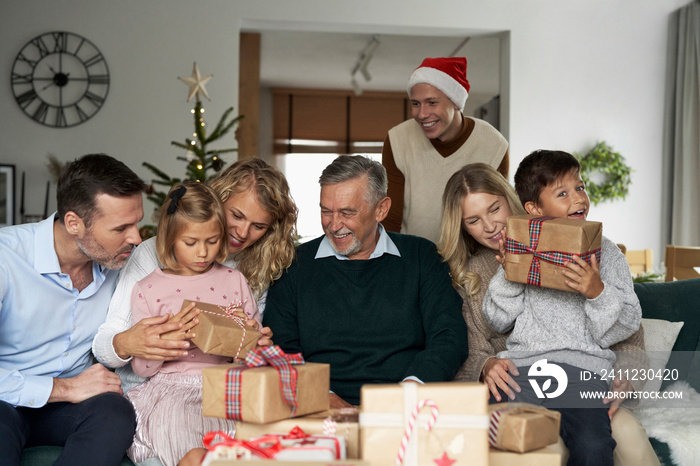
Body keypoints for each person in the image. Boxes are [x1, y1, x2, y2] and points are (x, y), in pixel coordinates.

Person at [438, 162, 659, 466]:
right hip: (521, 379)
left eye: (494, 209)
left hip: (585, 379)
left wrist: (627, 377)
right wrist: (485, 366)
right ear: (461, 227)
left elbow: (629, 335)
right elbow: (466, 351)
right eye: (473, 220)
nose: (490, 226)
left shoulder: (595, 252)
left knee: (606, 438)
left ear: (515, 203)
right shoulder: (474, 274)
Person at [263, 155, 468, 407]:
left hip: (407, 403)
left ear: (381, 209)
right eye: (326, 211)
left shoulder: (421, 256)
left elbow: (449, 336)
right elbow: (280, 346)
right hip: (316, 404)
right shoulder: (294, 263)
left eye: (347, 212)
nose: (333, 224)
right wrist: (323, 397)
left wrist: (406, 394)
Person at [93, 158, 297, 394]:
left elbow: (243, 355)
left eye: (258, 226)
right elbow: (104, 345)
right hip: (148, 389)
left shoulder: (252, 268)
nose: (242, 233)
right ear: (217, 202)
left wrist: (254, 343)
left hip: (219, 391)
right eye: (237, 216)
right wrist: (130, 343)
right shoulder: (151, 255)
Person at [0, 153, 144, 465]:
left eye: (137, 223)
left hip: (72, 408)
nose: (136, 238)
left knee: (114, 412)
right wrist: (65, 388)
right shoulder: (5, 258)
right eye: (121, 228)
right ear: (73, 223)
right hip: (5, 400)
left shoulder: (122, 263)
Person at [125, 182, 259, 466]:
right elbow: (141, 368)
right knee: (186, 442)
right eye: (191, 243)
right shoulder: (148, 288)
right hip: (174, 391)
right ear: (170, 238)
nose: (203, 253)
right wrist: (168, 341)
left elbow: (253, 354)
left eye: (212, 241)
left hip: (226, 387)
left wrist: (246, 337)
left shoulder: (234, 280)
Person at [382, 56, 509, 244]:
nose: (422, 114)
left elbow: (498, 215)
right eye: (415, 103)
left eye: (432, 102)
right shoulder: (397, 140)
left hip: (471, 260)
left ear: (456, 102)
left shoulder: (494, 145)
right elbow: (390, 219)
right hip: (411, 257)